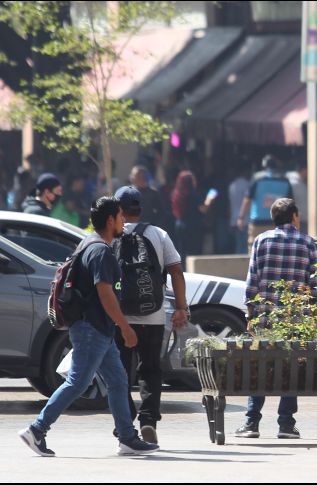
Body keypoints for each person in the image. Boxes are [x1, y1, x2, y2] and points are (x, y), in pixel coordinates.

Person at [18, 197, 159, 457]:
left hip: (98, 330)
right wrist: (125, 327)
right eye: (120, 217)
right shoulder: (100, 251)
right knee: (78, 383)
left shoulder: (88, 244)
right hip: (92, 329)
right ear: (110, 220)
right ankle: (37, 430)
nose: (123, 221)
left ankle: (127, 438)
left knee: (117, 381)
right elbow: (105, 293)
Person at [235, 198, 317, 440]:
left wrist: (250, 313)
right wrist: (314, 314)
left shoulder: (261, 241)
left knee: (260, 365)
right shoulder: (308, 243)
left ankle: (251, 423)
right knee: (291, 366)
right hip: (295, 318)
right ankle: (286, 424)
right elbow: (314, 286)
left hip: (265, 317)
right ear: (294, 216)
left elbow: (252, 282)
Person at [113, 186, 189, 445]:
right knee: (151, 370)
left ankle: (125, 421)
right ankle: (148, 420)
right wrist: (181, 308)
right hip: (153, 315)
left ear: (118, 210)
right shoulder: (158, 234)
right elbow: (176, 272)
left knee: (119, 372)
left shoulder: (110, 235)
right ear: (140, 208)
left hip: (120, 318)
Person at [237, 155, 293, 251]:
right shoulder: (285, 181)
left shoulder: (257, 179)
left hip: (258, 222)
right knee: (276, 250)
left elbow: (247, 199)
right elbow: (290, 204)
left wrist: (241, 217)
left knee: (255, 248)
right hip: (277, 223)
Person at [171, 170, 215, 268]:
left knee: (182, 251)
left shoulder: (176, 194)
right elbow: (203, 209)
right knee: (194, 251)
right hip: (194, 225)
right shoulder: (194, 194)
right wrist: (210, 199)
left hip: (180, 224)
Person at [129, 165, 170, 232]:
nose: (141, 179)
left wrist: (156, 227)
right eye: (139, 177)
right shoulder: (127, 193)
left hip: (148, 229)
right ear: (132, 178)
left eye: (143, 177)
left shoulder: (153, 193)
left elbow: (161, 213)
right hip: (131, 229)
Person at [228, 163, 251, 254]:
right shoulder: (247, 184)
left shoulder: (232, 185)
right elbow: (248, 201)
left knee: (238, 245)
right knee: (245, 245)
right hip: (245, 218)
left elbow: (230, 204)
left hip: (234, 219)